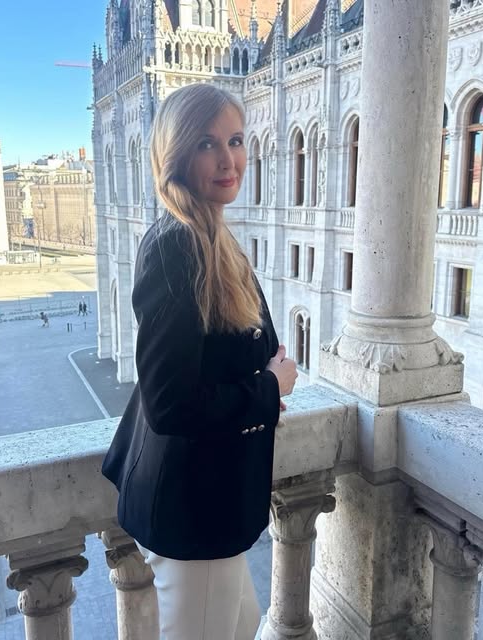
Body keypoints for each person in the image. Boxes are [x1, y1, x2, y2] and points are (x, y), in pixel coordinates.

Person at [102, 83, 298, 640]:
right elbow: (170, 402)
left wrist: (261, 383)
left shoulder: (214, 237)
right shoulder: (178, 245)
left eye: (235, 140)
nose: (228, 159)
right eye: (207, 144)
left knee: (245, 622)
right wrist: (268, 388)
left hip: (210, 498)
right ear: (177, 156)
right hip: (192, 506)